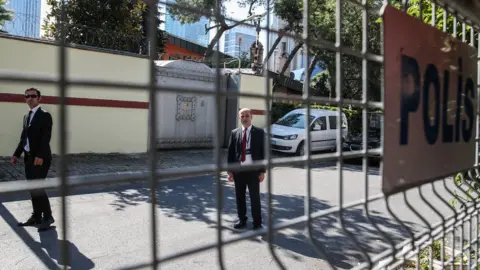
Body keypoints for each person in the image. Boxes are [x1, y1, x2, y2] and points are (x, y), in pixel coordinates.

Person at [11, 88, 55, 229]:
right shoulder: (26, 116)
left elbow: (45, 137)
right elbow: (23, 138)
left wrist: (40, 156)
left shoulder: (45, 115)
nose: (30, 98)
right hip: (29, 158)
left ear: (39, 98)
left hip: (41, 158)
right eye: (27, 96)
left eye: (33, 96)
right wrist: (16, 154)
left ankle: (48, 216)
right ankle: (36, 216)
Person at [227, 108, 265, 230]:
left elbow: (263, 153)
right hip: (239, 172)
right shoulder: (234, 133)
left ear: (251, 117)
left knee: (255, 198)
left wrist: (262, 171)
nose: (244, 118)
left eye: (247, 116)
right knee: (240, 197)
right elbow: (231, 153)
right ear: (239, 118)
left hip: (253, 171)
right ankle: (242, 220)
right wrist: (230, 171)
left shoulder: (259, 133)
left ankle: (257, 223)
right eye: (242, 116)